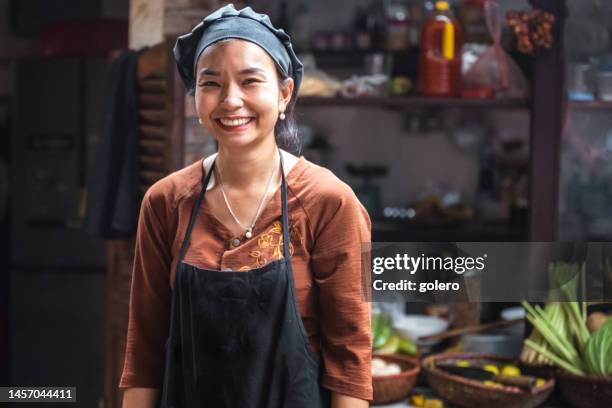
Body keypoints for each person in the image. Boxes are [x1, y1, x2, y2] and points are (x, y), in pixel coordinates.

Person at [119, 5, 372, 407]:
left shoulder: (329, 202)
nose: (230, 100)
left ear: (284, 93)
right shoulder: (166, 202)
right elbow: (144, 353)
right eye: (211, 83)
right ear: (196, 97)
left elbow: (350, 363)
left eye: (250, 80)